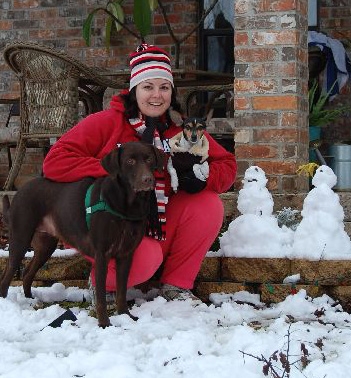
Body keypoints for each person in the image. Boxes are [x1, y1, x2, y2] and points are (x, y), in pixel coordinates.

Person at [43, 43, 237, 304]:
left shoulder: (180, 130)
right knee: (145, 260)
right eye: (148, 87)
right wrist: (113, 169)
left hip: (153, 225)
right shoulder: (107, 122)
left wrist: (201, 175)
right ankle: (104, 281)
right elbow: (55, 162)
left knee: (207, 204)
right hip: (108, 224)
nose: (157, 95)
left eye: (164, 87)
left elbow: (226, 165)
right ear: (134, 90)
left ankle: (176, 284)